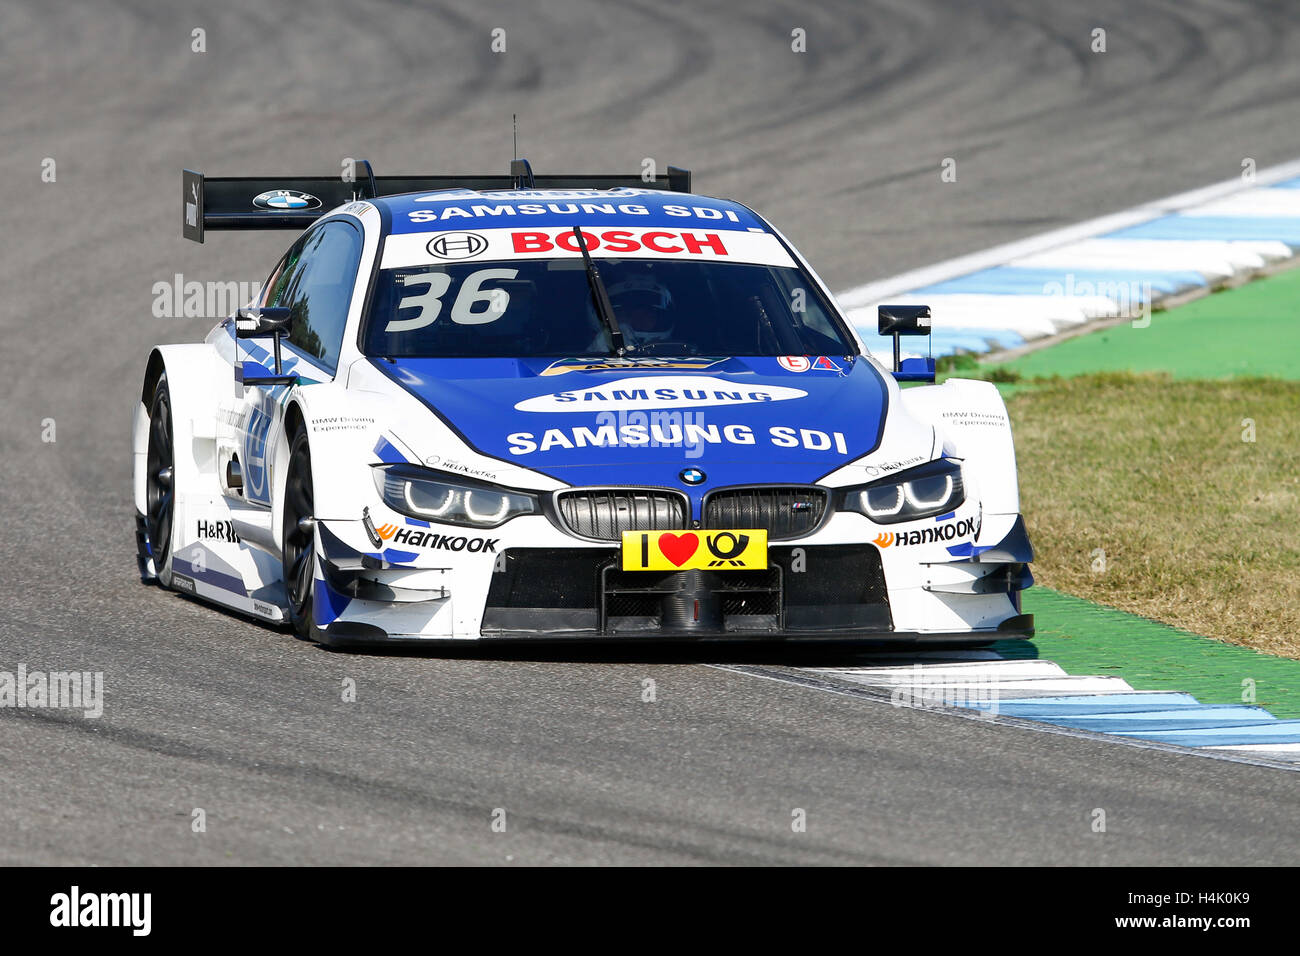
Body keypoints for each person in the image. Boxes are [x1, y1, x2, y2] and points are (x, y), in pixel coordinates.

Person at [586, 271, 678, 351]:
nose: (639, 320)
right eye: (628, 314)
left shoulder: (680, 352)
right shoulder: (599, 346)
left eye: (648, 315)